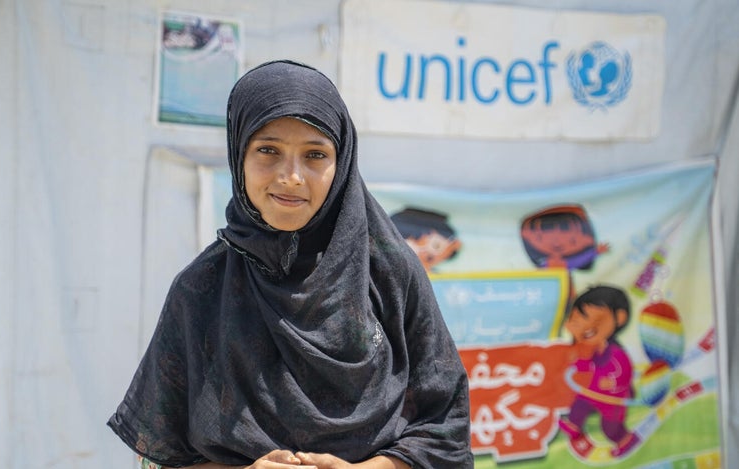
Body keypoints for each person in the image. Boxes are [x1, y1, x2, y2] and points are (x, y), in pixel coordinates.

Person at [108, 60, 473, 469]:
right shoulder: (202, 289)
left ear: (342, 163)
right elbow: (161, 456)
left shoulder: (388, 271)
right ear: (238, 154)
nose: (292, 176)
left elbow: (445, 427)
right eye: (268, 150)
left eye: (315, 154)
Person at [558, 285, 637, 458]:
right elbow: (583, 367)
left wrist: (615, 382)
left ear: (619, 318)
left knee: (610, 428)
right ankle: (573, 425)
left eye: (589, 318)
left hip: (613, 397)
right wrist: (578, 363)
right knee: (579, 405)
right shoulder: (588, 348)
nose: (583, 326)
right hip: (592, 391)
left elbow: (626, 372)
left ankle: (625, 440)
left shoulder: (616, 353)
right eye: (577, 318)